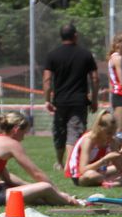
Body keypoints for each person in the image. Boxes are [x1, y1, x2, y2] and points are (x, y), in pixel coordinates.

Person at [0, 111, 83, 206]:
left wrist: (29, 186)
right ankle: (71, 202)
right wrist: (58, 192)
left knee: (33, 190)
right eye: (24, 133)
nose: (23, 138)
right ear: (16, 129)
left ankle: (54, 199)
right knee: (45, 187)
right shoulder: (12, 144)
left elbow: (6, 177)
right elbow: (36, 173)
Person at [43, 22, 100, 169]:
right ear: (75, 36)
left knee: (60, 132)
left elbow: (47, 80)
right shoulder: (86, 54)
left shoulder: (52, 55)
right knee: (75, 131)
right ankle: (70, 163)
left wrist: (47, 100)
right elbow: (94, 78)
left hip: (59, 102)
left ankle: (61, 162)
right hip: (79, 101)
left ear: (61, 37)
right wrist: (94, 100)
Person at [64, 110, 122, 187]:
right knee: (90, 174)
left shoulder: (111, 140)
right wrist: (104, 160)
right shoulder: (88, 140)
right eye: (108, 133)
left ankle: (110, 182)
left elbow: (121, 168)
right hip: (81, 175)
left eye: (114, 133)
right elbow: (83, 170)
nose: (111, 136)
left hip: (100, 172)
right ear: (99, 129)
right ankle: (114, 182)